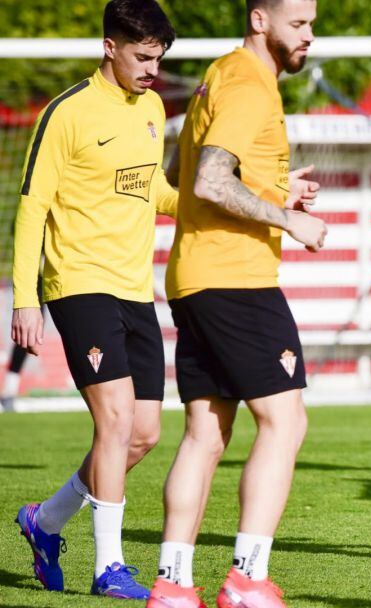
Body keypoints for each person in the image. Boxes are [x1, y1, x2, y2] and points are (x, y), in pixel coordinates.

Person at [146, 1, 326, 607]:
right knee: (285, 421)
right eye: (298, 23)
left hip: (194, 276)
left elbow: (180, 172)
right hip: (235, 281)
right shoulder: (249, 87)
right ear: (259, 20)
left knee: (205, 432)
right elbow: (208, 183)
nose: (309, 35)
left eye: (311, 23)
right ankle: (248, 578)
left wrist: (278, 188)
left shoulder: (218, 75)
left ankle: (172, 587)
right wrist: (289, 220)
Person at [11, 0, 177, 599]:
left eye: (159, 58)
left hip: (136, 289)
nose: (153, 68)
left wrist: (210, 206)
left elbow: (153, 188)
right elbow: (31, 208)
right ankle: (109, 567)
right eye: (142, 56)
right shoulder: (67, 113)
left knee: (143, 433)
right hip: (78, 283)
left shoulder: (154, 107)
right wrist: (24, 299)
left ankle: (46, 521)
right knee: (113, 420)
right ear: (110, 47)